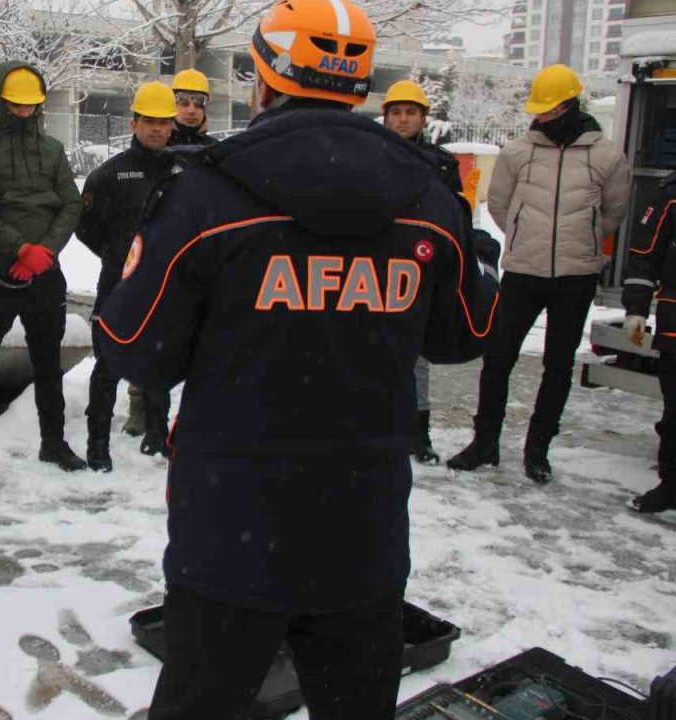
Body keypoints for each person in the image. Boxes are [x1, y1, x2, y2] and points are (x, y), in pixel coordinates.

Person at [95, 0, 502, 716]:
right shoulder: (428, 197)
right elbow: (463, 334)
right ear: (360, 85)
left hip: (232, 527)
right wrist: (480, 262)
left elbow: (135, 348)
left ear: (264, 79)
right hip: (362, 528)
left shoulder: (207, 192)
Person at [447, 64, 629, 484]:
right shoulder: (517, 152)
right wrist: (527, 235)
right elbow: (500, 205)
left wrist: (580, 240)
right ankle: (485, 443)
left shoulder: (606, 155)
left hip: (576, 275)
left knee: (558, 366)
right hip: (523, 272)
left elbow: (613, 212)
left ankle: (538, 451)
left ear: (570, 104)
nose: (544, 116)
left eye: (551, 109)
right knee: (497, 358)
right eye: (540, 110)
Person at [0, 61, 86, 483]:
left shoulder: (52, 150)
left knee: (48, 364)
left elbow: (71, 203)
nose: (25, 112)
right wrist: (19, 248)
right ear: (0, 102)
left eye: (31, 105)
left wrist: (45, 250)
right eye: (16, 105)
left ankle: (54, 442)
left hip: (45, 272)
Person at [78, 82, 180, 471]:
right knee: (107, 366)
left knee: (158, 364)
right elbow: (86, 228)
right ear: (133, 122)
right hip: (118, 286)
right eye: (149, 121)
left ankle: (157, 437)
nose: (157, 128)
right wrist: (120, 258)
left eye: (163, 122)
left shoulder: (184, 173)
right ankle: (97, 446)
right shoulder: (109, 175)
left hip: (165, 286)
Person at [381, 79, 462, 465]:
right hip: (379, 264)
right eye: (396, 112)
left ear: (423, 118)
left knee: (418, 356)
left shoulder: (441, 165)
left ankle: (418, 432)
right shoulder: (370, 156)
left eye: (410, 112)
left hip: (421, 265)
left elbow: (457, 216)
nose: (403, 120)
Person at [621, 170, 676, 513]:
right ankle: (671, 487)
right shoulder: (671, 193)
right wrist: (636, 309)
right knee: (674, 415)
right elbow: (645, 253)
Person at [170, 69, 217, 149]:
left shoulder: (215, 149)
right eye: (184, 104)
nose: (191, 111)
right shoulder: (157, 146)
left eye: (198, 104)